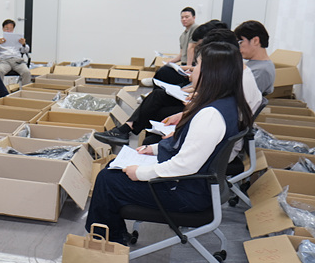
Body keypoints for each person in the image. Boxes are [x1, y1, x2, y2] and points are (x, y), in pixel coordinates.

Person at [86, 41, 253, 244]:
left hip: (187, 195)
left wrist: (140, 173)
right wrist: (154, 149)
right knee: (114, 172)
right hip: (198, 186)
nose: (191, 70)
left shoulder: (210, 115)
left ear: (212, 73)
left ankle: (108, 242)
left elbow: (185, 166)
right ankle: (114, 234)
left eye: (197, 65)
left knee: (107, 180)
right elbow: (192, 147)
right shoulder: (226, 103)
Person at [95, 26, 262, 146]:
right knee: (158, 99)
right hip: (208, 125)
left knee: (156, 114)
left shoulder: (238, 79)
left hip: (215, 138)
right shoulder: (236, 73)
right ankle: (127, 130)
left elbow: (218, 116)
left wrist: (187, 111)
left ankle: (129, 131)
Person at [234, 20, 275, 95]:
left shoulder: (261, 71)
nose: (238, 47)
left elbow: (245, 97)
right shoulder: (254, 64)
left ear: (255, 41)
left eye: (241, 42)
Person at [0, 19, 32, 86]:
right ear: (3, 28)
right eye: (6, 28)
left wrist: (23, 44)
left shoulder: (17, 38)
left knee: (26, 72)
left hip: (17, 61)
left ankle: (25, 90)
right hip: (5, 61)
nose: (8, 31)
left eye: (10, 29)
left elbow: (26, 51)